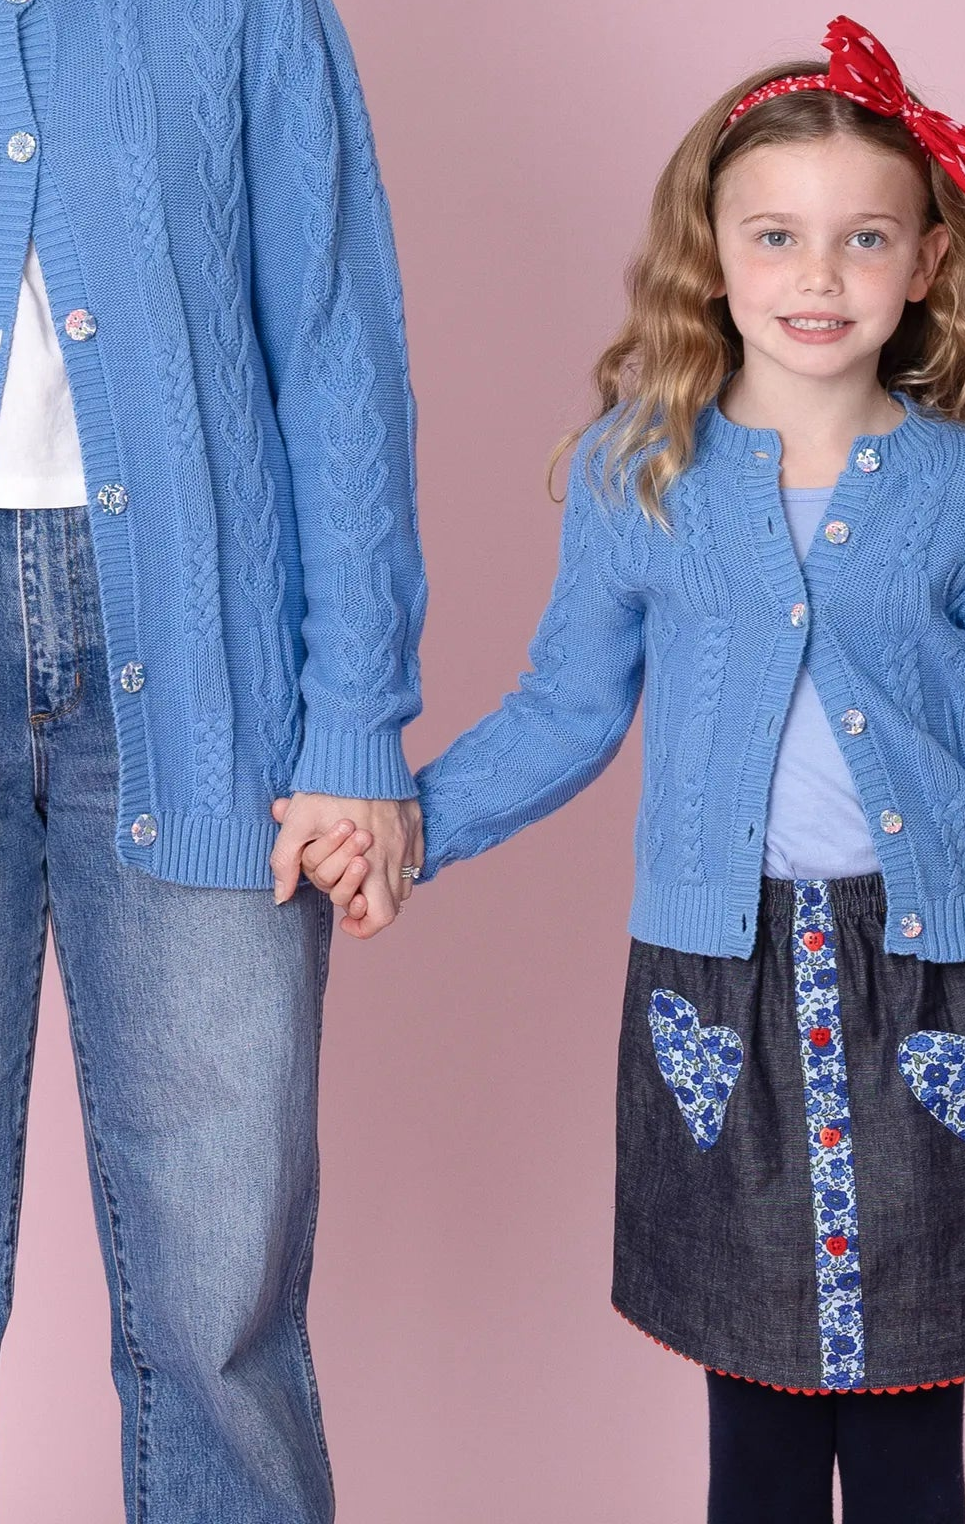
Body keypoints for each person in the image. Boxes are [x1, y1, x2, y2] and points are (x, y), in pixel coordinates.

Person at [304, 14, 965, 1524]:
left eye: (864, 238)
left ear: (926, 261)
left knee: (904, 1430)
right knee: (750, 1421)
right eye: (778, 236)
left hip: (939, 984)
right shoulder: (641, 471)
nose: (819, 276)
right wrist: (407, 829)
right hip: (714, 985)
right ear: (714, 253)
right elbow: (564, 711)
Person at [0, 1, 423, 1519]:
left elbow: (332, 347)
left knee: (216, 1302)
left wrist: (354, 720)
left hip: (202, 662)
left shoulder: (242, 14)